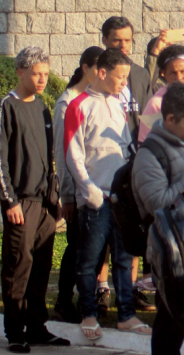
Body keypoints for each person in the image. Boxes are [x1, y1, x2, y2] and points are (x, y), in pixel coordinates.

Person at [64, 49, 152, 341]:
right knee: (89, 260)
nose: (124, 83)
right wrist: (89, 191)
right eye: (121, 77)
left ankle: (126, 314)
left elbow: (126, 146)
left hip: (121, 200)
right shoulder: (79, 105)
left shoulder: (119, 103)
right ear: (102, 73)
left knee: (124, 260)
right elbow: (72, 152)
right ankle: (88, 311)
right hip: (96, 199)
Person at [0, 47, 70, 353]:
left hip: (45, 204)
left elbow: (50, 156)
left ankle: (37, 326)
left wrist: (57, 196)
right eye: (36, 73)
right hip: (20, 202)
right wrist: (9, 200)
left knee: (41, 264)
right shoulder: (6, 107)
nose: (42, 79)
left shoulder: (42, 107)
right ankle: (15, 330)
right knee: (18, 264)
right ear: (21, 72)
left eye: (45, 73)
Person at [132, 82, 184, 355]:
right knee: (170, 322)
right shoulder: (148, 155)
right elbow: (159, 206)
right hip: (172, 252)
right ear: (170, 118)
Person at [53, 46, 103, 325]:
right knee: (76, 248)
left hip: (94, 189)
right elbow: (64, 153)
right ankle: (63, 301)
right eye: (98, 69)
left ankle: (86, 297)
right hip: (76, 190)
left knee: (90, 249)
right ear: (85, 68)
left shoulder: (94, 99)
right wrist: (68, 195)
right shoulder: (67, 102)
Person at [138, 45, 184, 142]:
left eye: (183, 71)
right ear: (163, 73)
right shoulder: (156, 103)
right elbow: (144, 142)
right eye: (173, 73)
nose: (179, 77)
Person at [101, 16, 152, 142]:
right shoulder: (96, 73)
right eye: (117, 40)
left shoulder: (141, 75)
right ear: (104, 40)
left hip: (136, 151)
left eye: (127, 40)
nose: (123, 45)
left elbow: (148, 117)